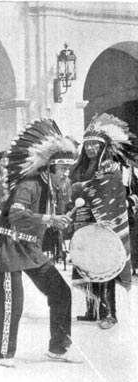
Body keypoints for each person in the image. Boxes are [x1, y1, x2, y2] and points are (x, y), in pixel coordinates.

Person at [0, 118, 79, 368]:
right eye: (62, 170)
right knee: (12, 305)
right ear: (49, 167)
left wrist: (59, 222)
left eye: (69, 170)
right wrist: (49, 218)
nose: (66, 174)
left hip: (31, 249)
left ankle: (58, 348)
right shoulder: (30, 184)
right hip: (10, 246)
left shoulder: (53, 188)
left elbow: (47, 221)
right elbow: (16, 214)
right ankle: (2, 354)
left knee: (61, 292)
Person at [69, 113, 136, 330]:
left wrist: (78, 188)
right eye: (87, 145)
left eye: (94, 145)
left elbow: (106, 188)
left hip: (106, 223)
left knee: (104, 267)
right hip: (85, 223)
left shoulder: (110, 166)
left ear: (102, 147)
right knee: (86, 265)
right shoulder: (79, 168)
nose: (90, 148)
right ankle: (92, 309)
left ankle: (110, 313)